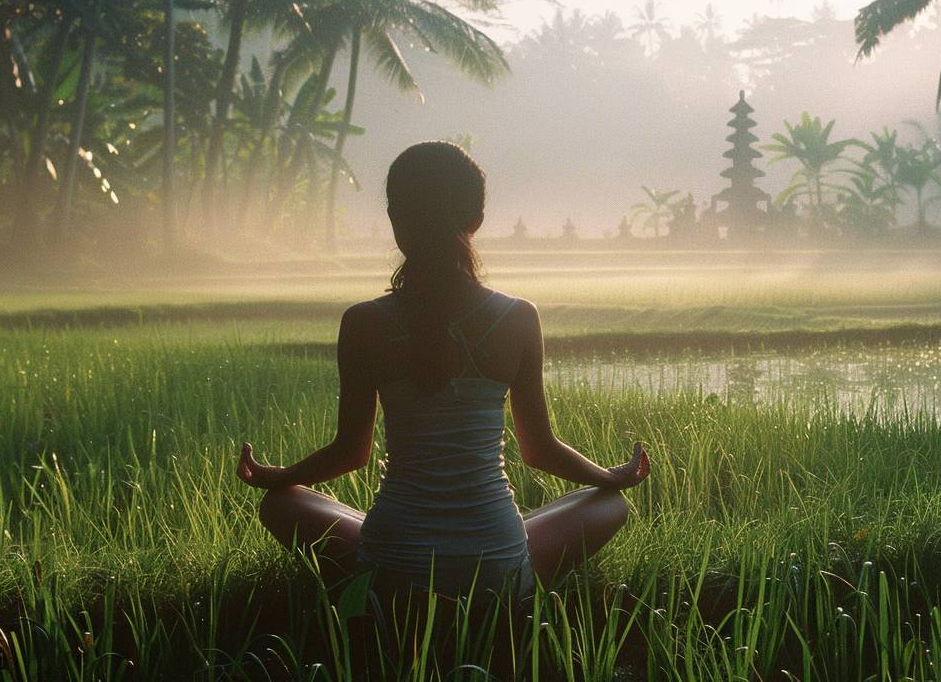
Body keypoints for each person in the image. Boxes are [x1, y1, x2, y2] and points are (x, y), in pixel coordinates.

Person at [235, 141, 649, 603]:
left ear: (395, 219)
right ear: (477, 219)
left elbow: (350, 453)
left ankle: (378, 585)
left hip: (390, 567)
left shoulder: (363, 322)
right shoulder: (518, 317)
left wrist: (279, 476)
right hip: (497, 565)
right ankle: (512, 575)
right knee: (608, 504)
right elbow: (540, 450)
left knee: (281, 503)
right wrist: (610, 477)